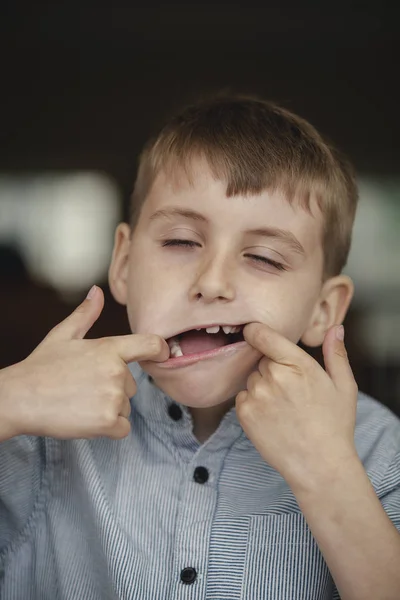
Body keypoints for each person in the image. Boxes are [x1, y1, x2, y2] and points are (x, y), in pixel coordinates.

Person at [0, 95, 399, 600]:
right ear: (123, 264)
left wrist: (330, 474)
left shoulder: (379, 450)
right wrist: (9, 399)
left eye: (264, 257)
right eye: (181, 242)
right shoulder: (36, 435)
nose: (212, 282)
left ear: (323, 310)